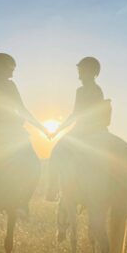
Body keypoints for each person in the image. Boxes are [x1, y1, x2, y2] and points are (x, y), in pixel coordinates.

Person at [0, 53, 48, 216]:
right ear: (2, 67)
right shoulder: (10, 86)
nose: (13, 72)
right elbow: (22, 109)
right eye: (11, 68)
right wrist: (40, 127)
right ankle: (21, 202)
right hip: (7, 132)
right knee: (34, 164)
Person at [46, 56, 112, 201]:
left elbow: (76, 114)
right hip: (97, 129)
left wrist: (58, 130)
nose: (79, 72)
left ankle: (53, 188)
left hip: (83, 130)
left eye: (81, 69)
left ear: (89, 71)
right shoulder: (96, 89)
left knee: (56, 151)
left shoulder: (83, 90)